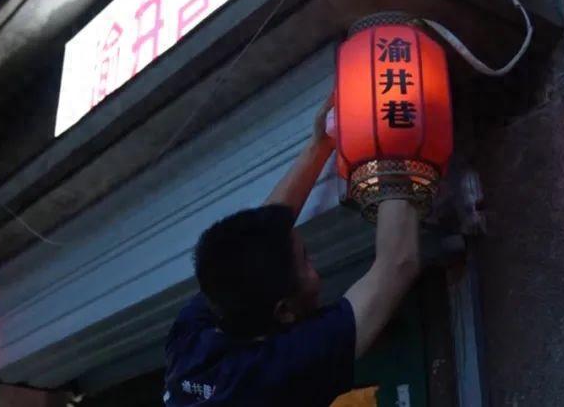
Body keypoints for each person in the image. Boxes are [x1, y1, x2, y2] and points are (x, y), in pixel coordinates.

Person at [164, 95, 422, 406]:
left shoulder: (192, 336)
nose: (315, 263)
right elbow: (398, 264)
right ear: (283, 311)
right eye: (306, 260)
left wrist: (320, 146)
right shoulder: (271, 376)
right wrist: (395, 138)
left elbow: (257, 239)